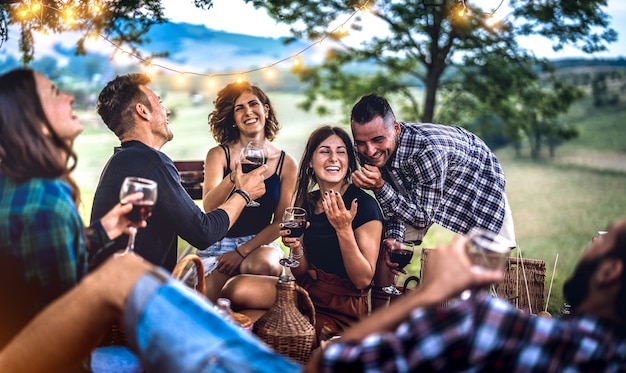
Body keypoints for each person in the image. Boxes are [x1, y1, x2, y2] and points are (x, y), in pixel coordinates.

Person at [5, 217, 626, 372]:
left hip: (322, 331)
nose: (596, 236)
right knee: (223, 281)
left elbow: (332, 350)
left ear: (611, 274)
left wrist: (432, 292)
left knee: (119, 281)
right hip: (291, 291)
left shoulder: (485, 323)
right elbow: (260, 245)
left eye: (609, 236)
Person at [0, 68, 146, 365]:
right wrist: (110, 290)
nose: (68, 96)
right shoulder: (46, 202)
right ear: (36, 123)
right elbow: (64, 338)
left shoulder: (14, 184)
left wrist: (103, 230)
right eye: (55, 93)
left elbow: (37, 253)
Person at [349, 93, 517, 308]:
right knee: (388, 246)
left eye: (378, 140)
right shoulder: (369, 148)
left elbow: (420, 217)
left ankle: (486, 318)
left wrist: (379, 186)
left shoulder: (427, 151)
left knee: (494, 258)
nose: (370, 151)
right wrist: (394, 236)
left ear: (396, 129)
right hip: (421, 187)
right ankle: (379, 321)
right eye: (361, 142)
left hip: (476, 176)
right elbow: (396, 200)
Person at [89, 73, 267, 272]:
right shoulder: (151, 162)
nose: (167, 112)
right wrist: (244, 194)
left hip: (113, 287)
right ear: (143, 111)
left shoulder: (121, 161)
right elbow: (204, 232)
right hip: (134, 294)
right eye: (159, 102)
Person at [221, 126, 383, 341]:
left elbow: (363, 280)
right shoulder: (307, 203)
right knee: (235, 289)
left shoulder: (363, 205)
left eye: (341, 152)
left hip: (341, 308)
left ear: (348, 161)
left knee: (256, 330)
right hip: (306, 293)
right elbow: (301, 271)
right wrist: (296, 247)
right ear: (310, 162)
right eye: (325, 151)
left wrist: (343, 230)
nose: (334, 158)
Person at [198, 81, 297, 301]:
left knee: (264, 265)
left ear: (265, 109)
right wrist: (234, 177)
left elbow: (281, 221)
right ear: (233, 118)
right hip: (219, 244)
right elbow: (209, 207)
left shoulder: (286, 163)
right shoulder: (218, 155)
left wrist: (242, 252)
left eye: (253, 104)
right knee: (216, 302)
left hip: (259, 243)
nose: (248, 112)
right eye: (239, 108)